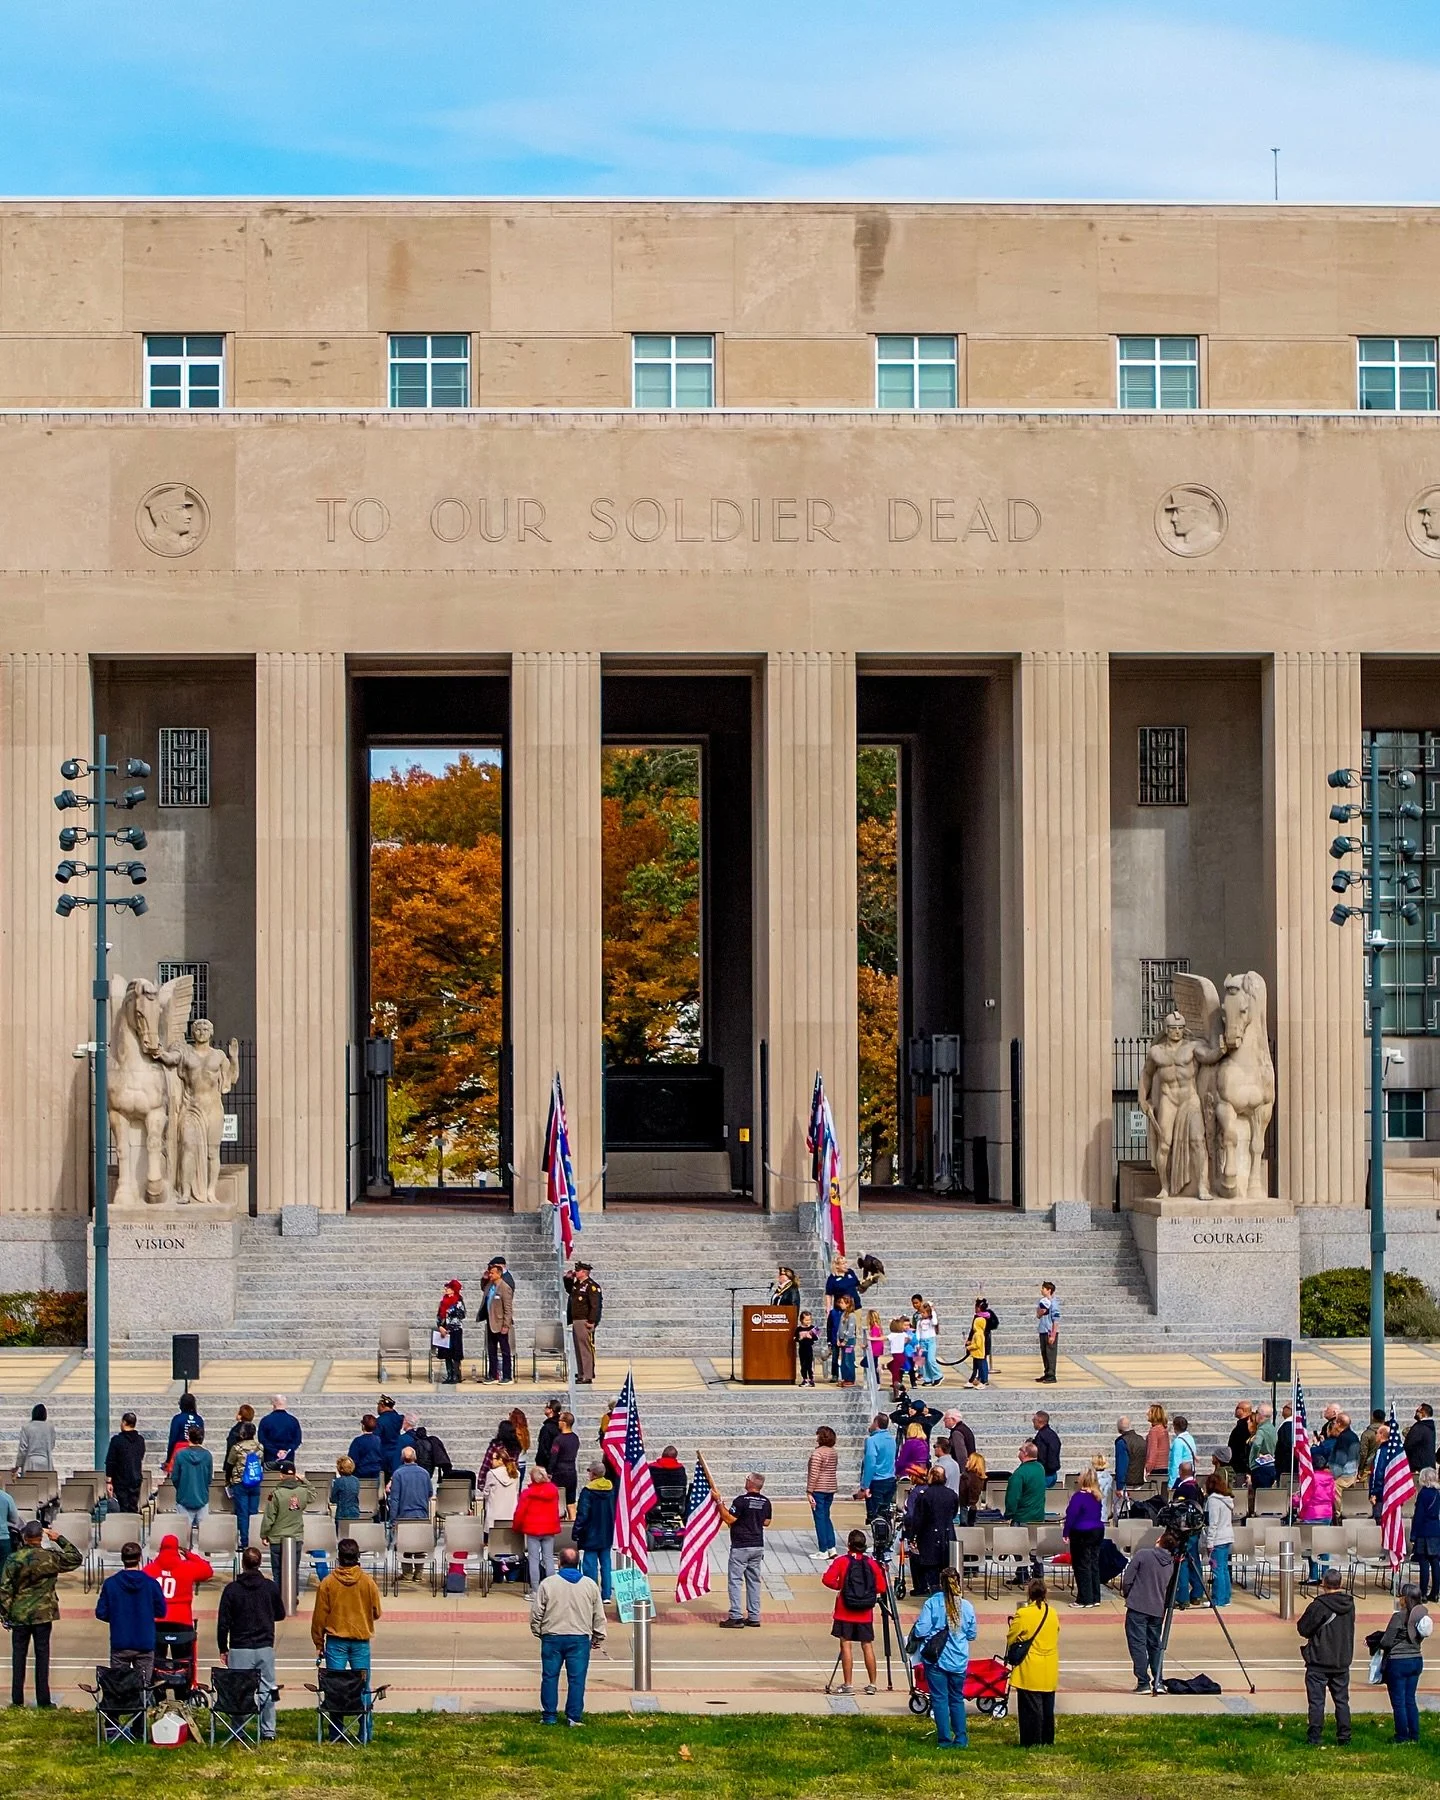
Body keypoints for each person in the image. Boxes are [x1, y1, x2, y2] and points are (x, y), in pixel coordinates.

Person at [0, 1520, 82, 1708]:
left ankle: (17, 1699)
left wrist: (5, 1614)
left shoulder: (14, 1559)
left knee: (18, 1657)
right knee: (42, 1656)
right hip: (43, 1614)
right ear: (41, 1537)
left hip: (19, 1614)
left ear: (25, 1537)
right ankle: (44, 1700)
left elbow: (4, 1589)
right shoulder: (50, 1557)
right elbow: (75, 1558)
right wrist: (59, 1538)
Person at [311, 1537, 383, 1742]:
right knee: (363, 1688)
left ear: (339, 1558)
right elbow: (377, 1612)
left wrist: (318, 1642)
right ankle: (365, 1732)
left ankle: (336, 1732)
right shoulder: (368, 1582)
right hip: (360, 1640)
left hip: (336, 1641)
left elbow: (319, 1617)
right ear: (357, 1557)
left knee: (336, 1687)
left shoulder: (328, 1583)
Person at [216, 1545, 286, 1742]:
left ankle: (239, 1728)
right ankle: (268, 1730)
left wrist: (223, 1647)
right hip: (264, 1646)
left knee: (240, 1689)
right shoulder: (270, 1587)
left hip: (240, 1646)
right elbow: (280, 1613)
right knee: (268, 1689)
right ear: (259, 1563)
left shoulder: (232, 1590)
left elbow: (223, 1623)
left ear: (243, 1564)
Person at [531, 1544, 605, 1726]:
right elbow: (598, 1614)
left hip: (552, 1636)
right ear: (578, 1563)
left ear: (559, 1563)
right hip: (579, 1638)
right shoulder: (590, 1585)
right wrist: (598, 1636)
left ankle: (549, 1716)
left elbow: (537, 1612)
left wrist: (537, 1630)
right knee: (577, 1679)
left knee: (549, 1676)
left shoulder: (547, 1584)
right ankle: (574, 1716)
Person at [911, 1565, 978, 1747]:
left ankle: (944, 1739)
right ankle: (961, 1738)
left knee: (939, 1699)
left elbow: (921, 1629)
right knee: (957, 1699)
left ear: (940, 1584)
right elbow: (972, 1634)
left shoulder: (933, 1603)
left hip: (937, 1659)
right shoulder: (966, 1606)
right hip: (959, 1660)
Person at [94, 1541, 167, 1691]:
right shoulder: (151, 1584)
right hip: (144, 1642)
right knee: (143, 1687)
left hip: (121, 1641)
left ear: (122, 1558)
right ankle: (140, 1713)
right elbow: (161, 1611)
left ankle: (119, 1711)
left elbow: (101, 1612)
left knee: (119, 1686)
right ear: (140, 1558)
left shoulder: (111, 1583)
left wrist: (117, 1617)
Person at [822, 1528, 887, 1695]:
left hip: (845, 1609)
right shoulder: (872, 1563)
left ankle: (848, 1684)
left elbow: (827, 1579)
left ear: (849, 1544)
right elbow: (881, 1587)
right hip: (865, 1611)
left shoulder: (842, 1561)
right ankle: (872, 1684)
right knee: (867, 1645)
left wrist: (840, 1587)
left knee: (846, 1645)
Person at [1297, 1566, 1355, 1748]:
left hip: (1319, 1660)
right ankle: (1344, 1736)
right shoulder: (1350, 1605)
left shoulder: (1318, 1605)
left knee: (1316, 1702)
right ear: (1341, 1583)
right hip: (1341, 1660)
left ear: (1323, 1584)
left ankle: (1315, 1736)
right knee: (1342, 1701)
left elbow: (1303, 1628)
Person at [1006, 1577, 1060, 1747]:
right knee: (1047, 1708)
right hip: (1049, 1665)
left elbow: (1011, 1637)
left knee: (1030, 1709)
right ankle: (1047, 1739)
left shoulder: (1023, 1613)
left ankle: (1031, 1741)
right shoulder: (1052, 1612)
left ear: (1029, 1593)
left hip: (1030, 1665)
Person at [1373, 1583, 1430, 1743]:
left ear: (1405, 1599)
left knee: (1398, 1702)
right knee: (1410, 1699)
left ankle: (1401, 1736)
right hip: (1416, 1659)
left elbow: (1386, 1641)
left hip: (1398, 1662)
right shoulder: (1422, 1616)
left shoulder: (1399, 1617)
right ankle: (1414, 1735)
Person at [1121, 1531, 1176, 1693]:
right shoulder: (1171, 1563)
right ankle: (1158, 1680)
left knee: (1137, 1643)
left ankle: (1143, 1681)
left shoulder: (1143, 1554)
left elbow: (1128, 1578)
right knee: (1154, 1645)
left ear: (1159, 1540)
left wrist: (1129, 1594)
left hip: (1138, 1605)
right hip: (1157, 1608)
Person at [717, 1472, 771, 1628]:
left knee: (735, 1581)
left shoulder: (741, 1501)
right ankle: (754, 1616)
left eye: (747, 1479)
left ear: (751, 1483)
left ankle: (736, 1616)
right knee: (754, 1581)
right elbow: (766, 1522)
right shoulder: (765, 1502)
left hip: (741, 1545)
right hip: (757, 1545)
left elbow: (729, 1518)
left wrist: (719, 1503)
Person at [904, 1466, 959, 1596]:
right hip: (947, 1535)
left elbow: (918, 1519)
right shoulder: (952, 1494)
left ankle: (935, 1594)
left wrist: (913, 1537)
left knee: (932, 1570)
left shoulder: (925, 1496)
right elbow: (953, 1513)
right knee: (946, 1568)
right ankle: (947, 1594)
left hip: (929, 1538)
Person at [259, 1461, 313, 1588]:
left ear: (281, 1476)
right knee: (294, 1569)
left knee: (277, 1572)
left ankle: (278, 1597)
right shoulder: (302, 1491)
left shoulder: (276, 1493)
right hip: (296, 1536)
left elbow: (269, 1516)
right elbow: (313, 1494)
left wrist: (264, 1534)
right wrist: (305, 1480)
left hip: (277, 1538)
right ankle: (293, 1596)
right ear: (295, 1475)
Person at [572, 1461, 616, 1603]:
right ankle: (607, 1594)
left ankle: (592, 1594)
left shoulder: (588, 1491)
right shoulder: (611, 1489)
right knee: (606, 1563)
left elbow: (582, 1514)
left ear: (593, 1474)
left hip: (590, 1533)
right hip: (607, 1531)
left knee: (590, 1565)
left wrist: (576, 1531)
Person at [515, 1461, 563, 1590]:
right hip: (549, 1529)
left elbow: (520, 1512)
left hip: (533, 1530)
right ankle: (551, 1589)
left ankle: (535, 1590)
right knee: (549, 1559)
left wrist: (517, 1527)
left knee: (534, 1560)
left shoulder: (527, 1493)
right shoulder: (553, 1490)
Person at [1063, 1467, 1104, 1607]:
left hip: (1081, 1532)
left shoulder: (1078, 1496)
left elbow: (1071, 1515)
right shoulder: (1097, 1496)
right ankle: (1095, 1596)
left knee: (1081, 1565)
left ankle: (1084, 1598)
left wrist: (1066, 1532)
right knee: (1093, 1564)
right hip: (1097, 1530)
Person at [225, 1422, 265, 1549]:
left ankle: (245, 1541)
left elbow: (230, 1465)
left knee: (242, 1513)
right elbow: (261, 1462)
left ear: (243, 1433)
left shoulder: (237, 1448)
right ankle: (254, 1539)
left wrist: (228, 1481)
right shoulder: (260, 1447)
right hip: (255, 1482)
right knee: (253, 1512)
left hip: (240, 1482)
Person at [564, 1263, 603, 1385]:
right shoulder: (577, 1285)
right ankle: (581, 1373)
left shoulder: (591, 1287)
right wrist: (568, 1279)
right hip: (576, 1319)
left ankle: (587, 1374)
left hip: (585, 1321)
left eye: (578, 1270)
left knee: (586, 1349)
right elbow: (569, 1290)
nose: (576, 1272)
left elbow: (595, 1306)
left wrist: (592, 1321)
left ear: (584, 1272)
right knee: (579, 1349)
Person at [171, 1424, 214, 1531]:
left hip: (183, 1497)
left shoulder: (180, 1455)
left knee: (183, 1533)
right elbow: (209, 1478)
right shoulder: (207, 1455)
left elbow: (175, 1477)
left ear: (188, 1437)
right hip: (202, 1497)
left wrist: (181, 1488)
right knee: (204, 1533)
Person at [806, 1425, 839, 1559]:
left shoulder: (817, 1453)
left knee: (819, 1519)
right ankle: (832, 1547)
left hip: (818, 1488)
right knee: (826, 1517)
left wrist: (809, 1491)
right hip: (830, 1488)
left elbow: (814, 1474)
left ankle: (823, 1549)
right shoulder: (833, 1452)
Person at [105, 1410, 146, 1515]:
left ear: (123, 1423)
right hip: (136, 1478)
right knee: (133, 1507)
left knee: (123, 1508)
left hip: (121, 1480)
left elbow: (111, 1461)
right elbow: (141, 1456)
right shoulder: (140, 1440)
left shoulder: (117, 1440)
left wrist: (109, 1480)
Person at [1205, 1469, 1235, 1607]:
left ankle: (1218, 1599)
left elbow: (1213, 1523)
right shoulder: (1227, 1500)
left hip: (1218, 1539)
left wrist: (1209, 1541)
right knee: (1223, 1569)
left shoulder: (1213, 1501)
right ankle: (1226, 1597)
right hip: (1227, 1537)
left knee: (1217, 1570)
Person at [859, 1414, 898, 1521]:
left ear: (876, 1424)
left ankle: (879, 1535)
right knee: (885, 1513)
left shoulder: (872, 1440)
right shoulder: (891, 1439)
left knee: (876, 1515)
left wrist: (865, 1486)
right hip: (890, 1479)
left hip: (877, 1481)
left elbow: (870, 1463)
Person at [484, 1264, 515, 1384]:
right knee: (491, 1351)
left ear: (499, 1274)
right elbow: (483, 1289)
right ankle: (492, 1374)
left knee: (505, 1351)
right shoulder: (490, 1286)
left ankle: (507, 1376)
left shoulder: (505, 1288)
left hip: (501, 1324)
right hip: (491, 1323)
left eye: (492, 1273)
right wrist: (484, 1278)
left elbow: (508, 1308)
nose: (490, 1275)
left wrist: (506, 1325)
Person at [1004, 1443, 1047, 1527]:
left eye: (1020, 1450)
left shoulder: (1019, 1473)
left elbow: (1013, 1497)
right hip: (1038, 1516)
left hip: (1022, 1518)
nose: (1019, 1452)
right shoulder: (1040, 1468)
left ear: (1025, 1453)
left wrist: (1008, 1515)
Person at [1414, 1468, 1440, 1602]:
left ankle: (1423, 1594)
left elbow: (1419, 1516)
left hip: (1424, 1531)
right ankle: (1435, 1593)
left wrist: (1413, 1535)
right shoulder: (1438, 1493)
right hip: (1436, 1530)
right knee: (1435, 1563)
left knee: (1424, 1564)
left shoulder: (1423, 1494)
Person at [258, 1394, 303, 1470]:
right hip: (288, 1458)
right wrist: (286, 1451)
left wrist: (276, 1452)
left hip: (270, 1458)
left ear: (273, 1404)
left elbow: (262, 1440)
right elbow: (297, 1440)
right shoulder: (293, 1420)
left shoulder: (265, 1420)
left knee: (270, 1480)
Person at [436, 1277, 466, 1385]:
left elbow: (461, 1316)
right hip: (444, 1331)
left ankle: (456, 1375)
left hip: (455, 1331)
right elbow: (439, 1315)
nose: (446, 1289)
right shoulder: (443, 1301)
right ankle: (449, 1375)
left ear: (453, 1289)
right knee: (447, 1354)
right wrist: (440, 1326)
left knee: (455, 1354)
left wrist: (448, 1328)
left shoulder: (458, 1302)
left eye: (448, 1287)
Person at [164, 1393, 204, 1471]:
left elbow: (173, 1439)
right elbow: (201, 1438)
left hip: (179, 1450)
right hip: (196, 1451)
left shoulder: (177, 1419)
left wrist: (168, 1459)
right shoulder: (199, 1419)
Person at [14, 1403, 57, 1477]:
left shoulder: (26, 1427)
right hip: (46, 1461)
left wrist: (18, 1465)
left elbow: (23, 1448)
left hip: (30, 1462)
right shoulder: (50, 1428)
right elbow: (52, 1445)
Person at [483, 1452, 520, 1526]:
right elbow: (516, 1491)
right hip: (510, 1513)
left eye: (493, 1459)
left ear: (500, 1460)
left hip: (494, 1514)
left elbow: (486, 1493)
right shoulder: (516, 1474)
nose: (491, 1461)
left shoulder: (491, 1474)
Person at [1248, 1404, 1278, 1492]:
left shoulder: (1261, 1430)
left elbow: (1257, 1444)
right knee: (1267, 1494)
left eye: (1256, 1412)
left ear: (1260, 1415)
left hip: (1260, 1467)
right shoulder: (1272, 1429)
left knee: (1260, 1495)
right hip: (1271, 1465)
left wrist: (1257, 1454)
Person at [1035, 1280, 1059, 1383]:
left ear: (1049, 1290)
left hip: (1050, 1331)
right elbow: (1038, 1315)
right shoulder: (1043, 1302)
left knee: (1050, 1353)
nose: (1041, 1290)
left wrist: (1053, 1335)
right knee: (1044, 1353)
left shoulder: (1054, 1303)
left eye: (1043, 1288)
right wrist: (1040, 1311)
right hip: (1042, 1330)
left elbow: (1056, 1320)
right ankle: (1046, 1373)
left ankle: (1051, 1375)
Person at [375, 1395, 404, 1478]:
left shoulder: (380, 1421)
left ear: (382, 1406)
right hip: (397, 1453)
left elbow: (376, 1438)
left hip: (384, 1454)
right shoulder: (399, 1418)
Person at [1405, 1403, 1437, 1475]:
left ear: (1423, 1413)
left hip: (1419, 1467)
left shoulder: (1420, 1427)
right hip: (1429, 1465)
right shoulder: (1430, 1426)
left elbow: (1409, 1445)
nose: (1416, 1413)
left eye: (1417, 1411)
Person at [1031, 1411, 1061, 1487]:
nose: (1033, 1422)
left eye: (1034, 1420)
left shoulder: (1041, 1436)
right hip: (1053, 1473)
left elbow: (1041, 1455)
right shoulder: (1052, 1434)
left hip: (1045, 1474)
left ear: (1039, 1421)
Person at [916, 1301, 942, 1386]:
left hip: (930, 1341)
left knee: (931, 1359)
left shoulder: (931, 1321)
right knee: (924, 1361)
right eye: (921, 1312)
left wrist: (933, 1311)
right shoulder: (919, 1321)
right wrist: (917, 1343)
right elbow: (918, 1332)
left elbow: (935, 1322)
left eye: (924, 1312)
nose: (922, 1314)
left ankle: (938, 1375)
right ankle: (928, 1378)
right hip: (922, 1342)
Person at [1167, 1415, 1198, 1488]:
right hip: (1190, 1475)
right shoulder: (1190, 1438)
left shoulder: (1178, 1442)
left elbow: (1176, 1463)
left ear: (1175, 1427)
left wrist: (1171, 1484)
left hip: (1180, 1477)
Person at [1143, 1404, 1170, 1487]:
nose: (1147, 1413)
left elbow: (1152, 1451)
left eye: (1149, 1412)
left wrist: (1147, 1468)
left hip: (1155, 1468)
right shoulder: (1163, 1429)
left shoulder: (1154, 1431)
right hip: (1164, 1467)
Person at [331, 1455, 362, 1526]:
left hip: (342, 1513)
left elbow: (333, 1499)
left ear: (340, 1469)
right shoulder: (356, 1480)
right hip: (355, 1512)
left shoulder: (338, 1481)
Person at [835, 1294, 858, 1387]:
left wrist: (845, 1340)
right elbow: (839, 1328)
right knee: (844, 1360)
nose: (840, 1304)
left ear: (848, 1304)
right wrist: (838, 1339)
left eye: (842, 1303)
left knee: (849, 1360)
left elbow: (851, 1329)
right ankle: (845, 1378)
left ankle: (850, 1378)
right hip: (841, 1340)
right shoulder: (843, 1314)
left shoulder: (852, 1315)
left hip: (849, 1342)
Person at [795, 1310, 820, 1388]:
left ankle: (811, 1379)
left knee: (809, 1364)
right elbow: (795, 1338)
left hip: (809, 1348)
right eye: (806, 1320)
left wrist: (812, 1336)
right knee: (803, 1365)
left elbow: (817, 1338)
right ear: (801, 1320)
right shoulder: (798, 1329)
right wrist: (800, 1338)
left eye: (809, 1320)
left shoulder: (813, 1328)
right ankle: (805, 1379)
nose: (808, 1321)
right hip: (802, 1348)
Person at [964, 1307, 988, 1387]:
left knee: (979, 1368)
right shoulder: (978, 1333)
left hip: (979, 1354)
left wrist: (969, 1347)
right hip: (976, 1354)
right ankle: (971, 1381)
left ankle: (983, 1381)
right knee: (975, 1369)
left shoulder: (978, 1334)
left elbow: (978, 1345)